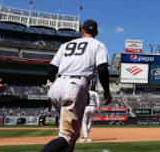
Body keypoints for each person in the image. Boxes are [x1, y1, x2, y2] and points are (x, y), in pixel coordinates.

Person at [37, 20, 111, 152]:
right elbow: (102, 69)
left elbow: (52, 68)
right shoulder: (98, 45)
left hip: (56, 86)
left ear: (82, 30)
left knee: (73, 134)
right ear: (97, 32)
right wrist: (106, 91)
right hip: (75, 86)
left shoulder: (66, 45)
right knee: (67, 136)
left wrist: (50, 82)